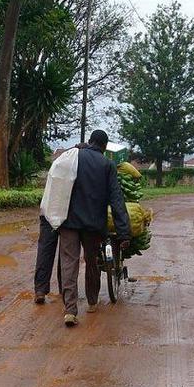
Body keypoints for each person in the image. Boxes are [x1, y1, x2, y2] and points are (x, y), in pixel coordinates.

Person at [58, 130, 131, 327]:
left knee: (69, 264)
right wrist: (124, 232)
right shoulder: (107, 165)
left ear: (89, 142)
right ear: (105, 147)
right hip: (93, 225)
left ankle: (70, 310)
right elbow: (116, 200)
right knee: (92, 262)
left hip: (68, 222)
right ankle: (91, 302)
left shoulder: (73, 156)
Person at [33, 143, 89, 304]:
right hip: (66, 216)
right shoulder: (79, 165)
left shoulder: (60, 162)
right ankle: (63, 289)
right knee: (66, 254)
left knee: (45, 250)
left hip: (47, 212)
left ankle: (40, 290)